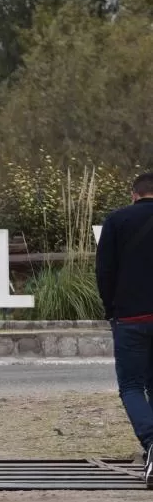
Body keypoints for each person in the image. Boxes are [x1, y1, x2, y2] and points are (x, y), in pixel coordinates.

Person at [96, 172, 153, 485]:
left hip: (130, 318)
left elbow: (104, 271)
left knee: (131, 385)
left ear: (134, 194)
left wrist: (111, 310)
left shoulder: (117, 221)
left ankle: (151, 442)